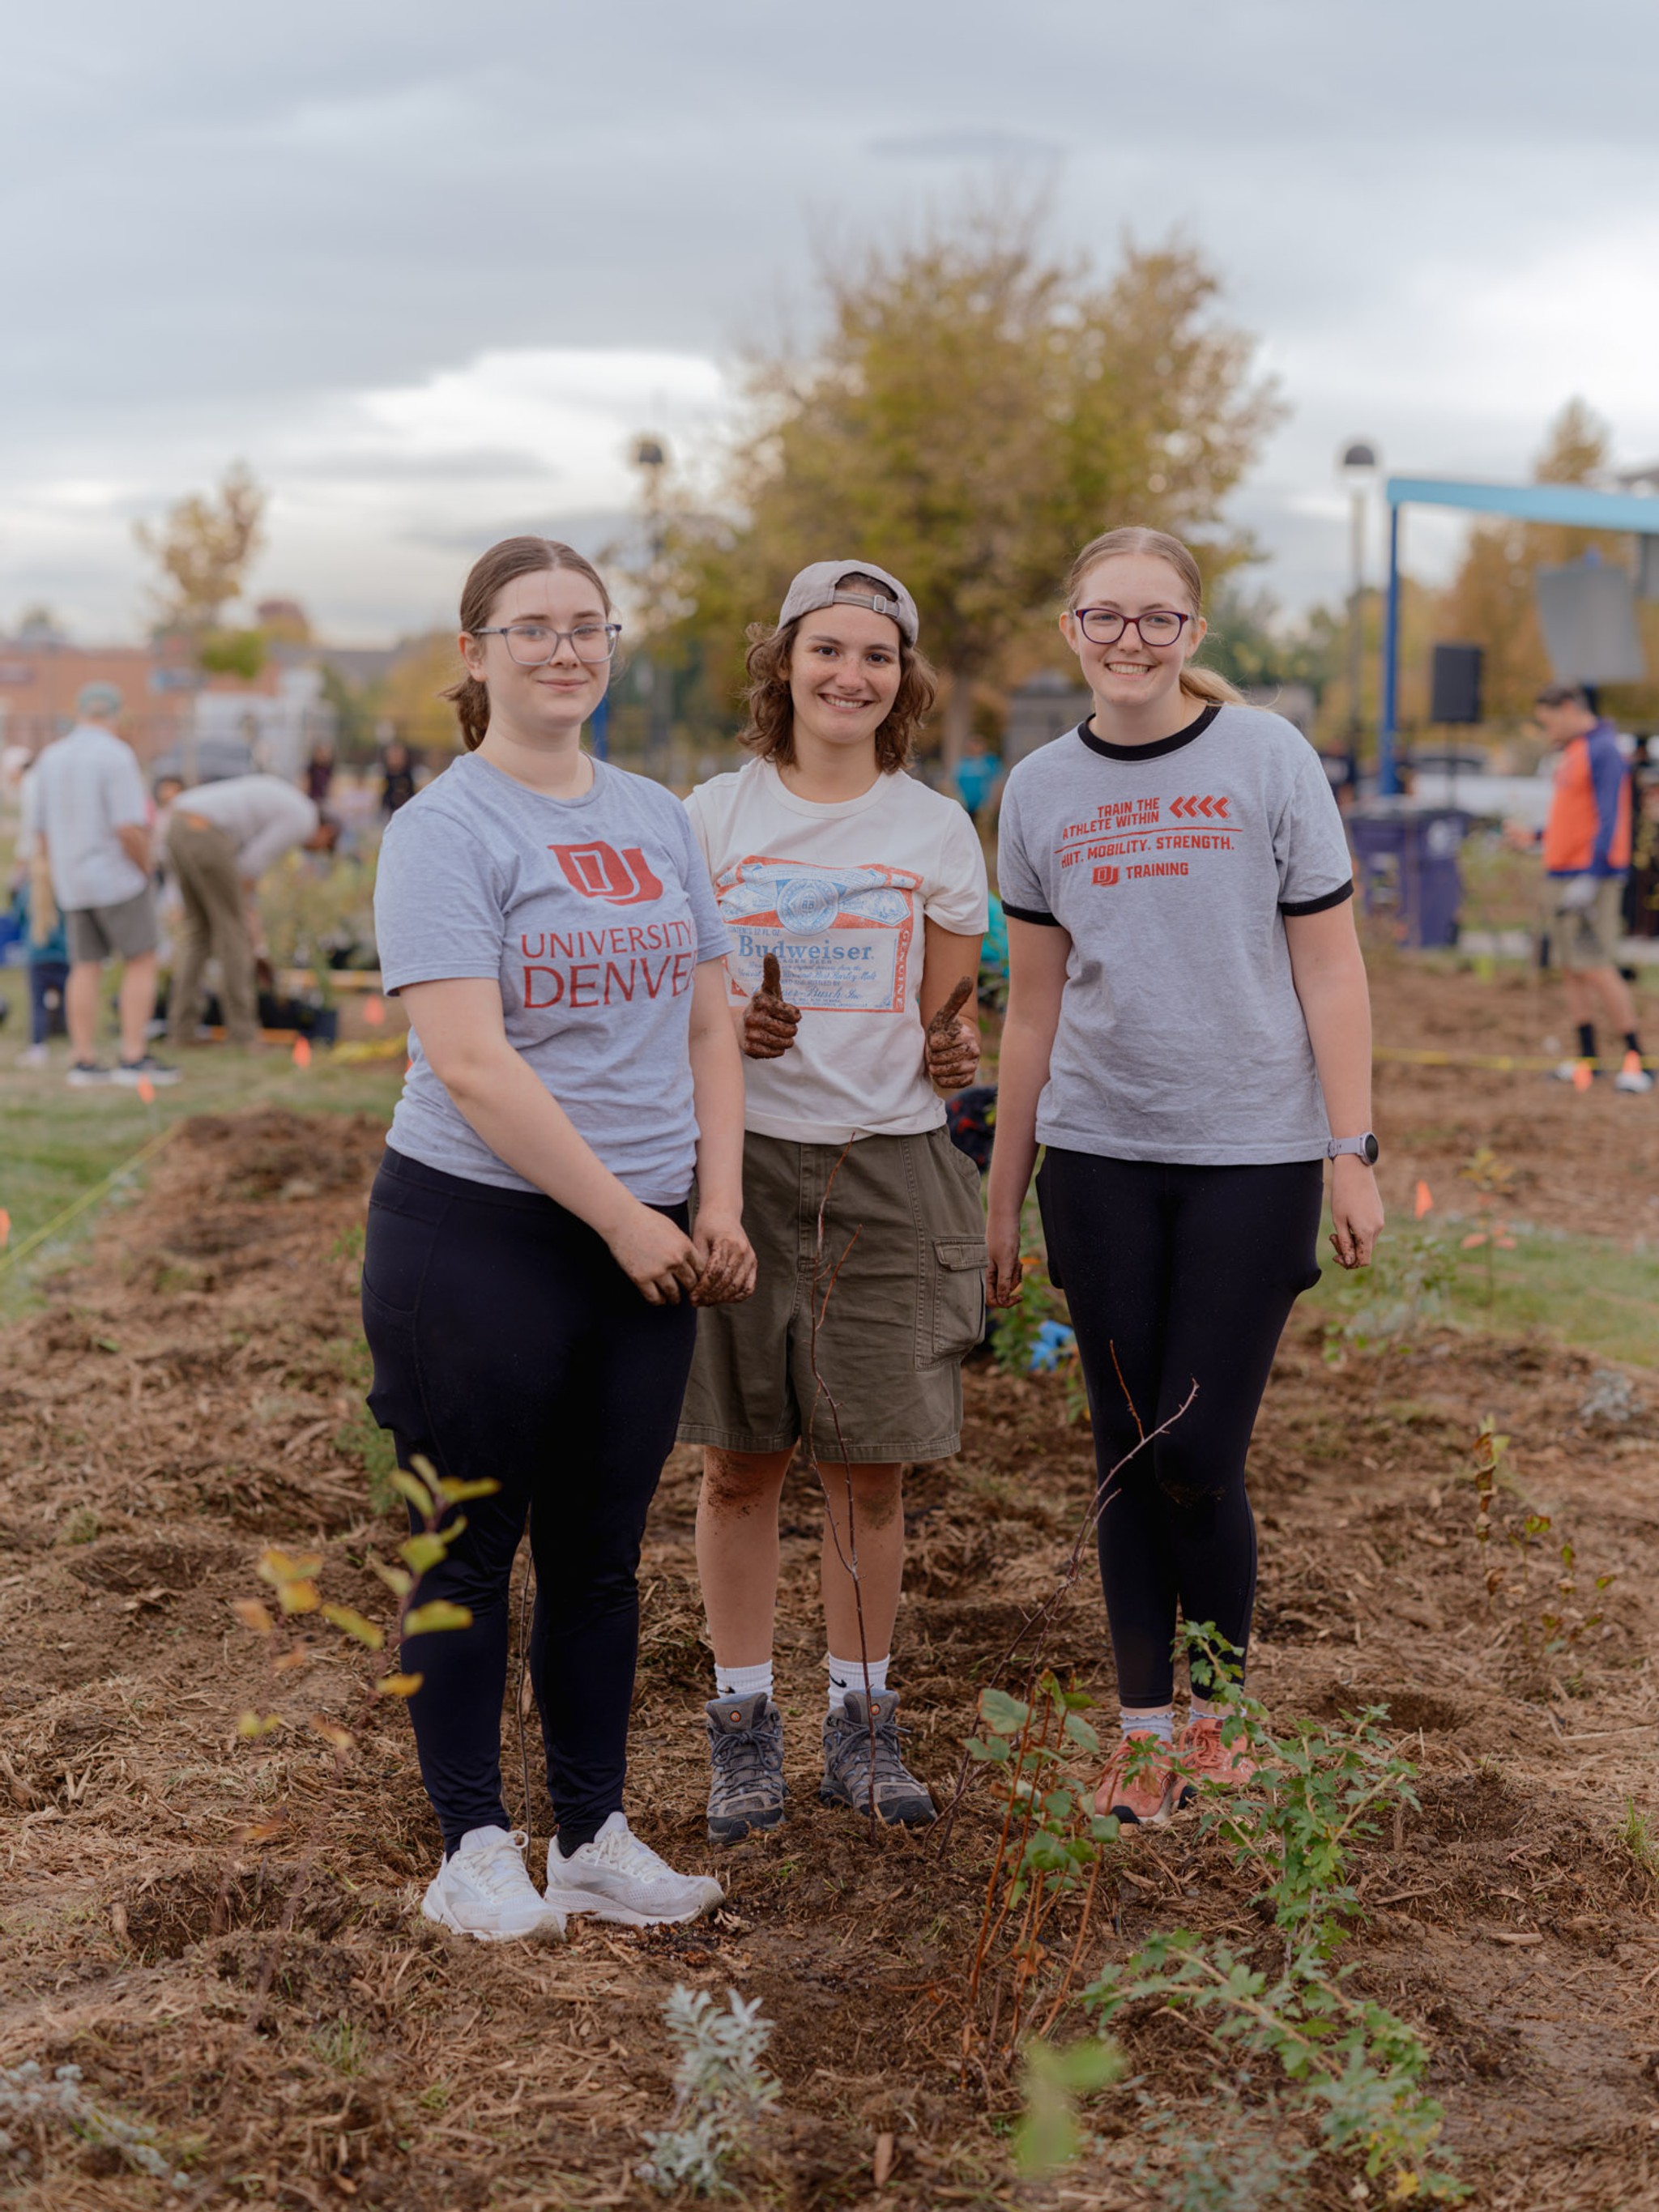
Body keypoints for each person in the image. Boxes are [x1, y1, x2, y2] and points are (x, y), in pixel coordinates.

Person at [363, 535, 755, 1942]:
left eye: (587, 625)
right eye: (530, 627)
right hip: (479, 1233)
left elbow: (709, 1022)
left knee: (598, 1555)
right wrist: (622, 1216)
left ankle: (590, 1834)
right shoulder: (443, 829)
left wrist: (714, 1203)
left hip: (648, 1234)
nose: (564, 649)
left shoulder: (654, 815)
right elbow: (472, 1062)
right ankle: (471, 1844)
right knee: (466, 1546)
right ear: (475, 655)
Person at [986, 526, 1383, 1827]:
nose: (1132, 639)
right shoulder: (1039, 788)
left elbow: (1331, 965)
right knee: (1124, 1448)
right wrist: (1004, 1191)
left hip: (1251, 1156)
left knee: (1198, 1448)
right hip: (1098, 1155)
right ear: (1072, 628)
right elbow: (1031, 1009)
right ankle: (1147, 1732)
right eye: (1106, 615)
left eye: (1159, 618)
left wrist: (1351, 1149)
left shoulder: (1267, 757)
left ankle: (1223, 1718)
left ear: (1194, 633)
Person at [680, 560, 988, 1843]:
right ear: (786, 662)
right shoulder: (711, 817)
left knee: (870, 1469)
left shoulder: (936, 829)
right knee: (740, 1462)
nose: (850, 675)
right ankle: (742, 1725)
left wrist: (955, 1050)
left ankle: (863, 1725)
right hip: (742, 1163)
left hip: (886, 1166)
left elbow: (949, 1022)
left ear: (902, 680)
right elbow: (678, 1000)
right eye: (827, 649)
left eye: (877, 655)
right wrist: (727, 1022)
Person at [28, 682, 177, 1089]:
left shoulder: (52, 757)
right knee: (141, 960)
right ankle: (133, 1056)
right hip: (116, 877)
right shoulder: (116, 755)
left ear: (79, 712)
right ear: (116, 714)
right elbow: (128, 827)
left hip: (72, 880)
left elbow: (41, 832)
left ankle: (83, 1059)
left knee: (84, 966)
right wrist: (146, 869)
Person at [159, 773, 338, 1049]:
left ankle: (182, 1031)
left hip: (178, 824)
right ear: (327, 831)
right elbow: (251, 865)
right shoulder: (304, 818)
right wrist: (254, 935)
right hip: (206, 831)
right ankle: (243, 1034)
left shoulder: (291, 803)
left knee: (200, 934)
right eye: (324, 846)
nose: (315, 850)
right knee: (234, 936)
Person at [1534, 684, 1651, 1092]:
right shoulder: (1573, 751)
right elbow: (1573, 818)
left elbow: (1609, 816)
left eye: (1548, 721)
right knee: (1572, 967)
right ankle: (1589, 1060)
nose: (1547, 731)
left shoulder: (1603, 750)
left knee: (1597, 964)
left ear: (1568, 708)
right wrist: (1535, 836)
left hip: (1590, 879)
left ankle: (1638, 1061)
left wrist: (1592, 875)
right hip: (1561, 874)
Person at [11, 765, 69, 1066]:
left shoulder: (28, 892)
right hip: (65, 955)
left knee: (37, 1003)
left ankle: (38, 1044)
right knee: (68, 997)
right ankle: (69, 1032)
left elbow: (18, 917)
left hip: (37, 955)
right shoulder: (66, 892)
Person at [380, 739, 419, 816]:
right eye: (393, 755)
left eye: (398, 755)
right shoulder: (380, 775)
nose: (396, 757)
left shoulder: (415, 775)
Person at [303, 744, 335, 808]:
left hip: (324, 801)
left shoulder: (329, 770)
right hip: (311, 800)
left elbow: (331, 788)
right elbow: (305, 787)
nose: (324, 755)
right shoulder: (310, 770)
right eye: (321, 753)